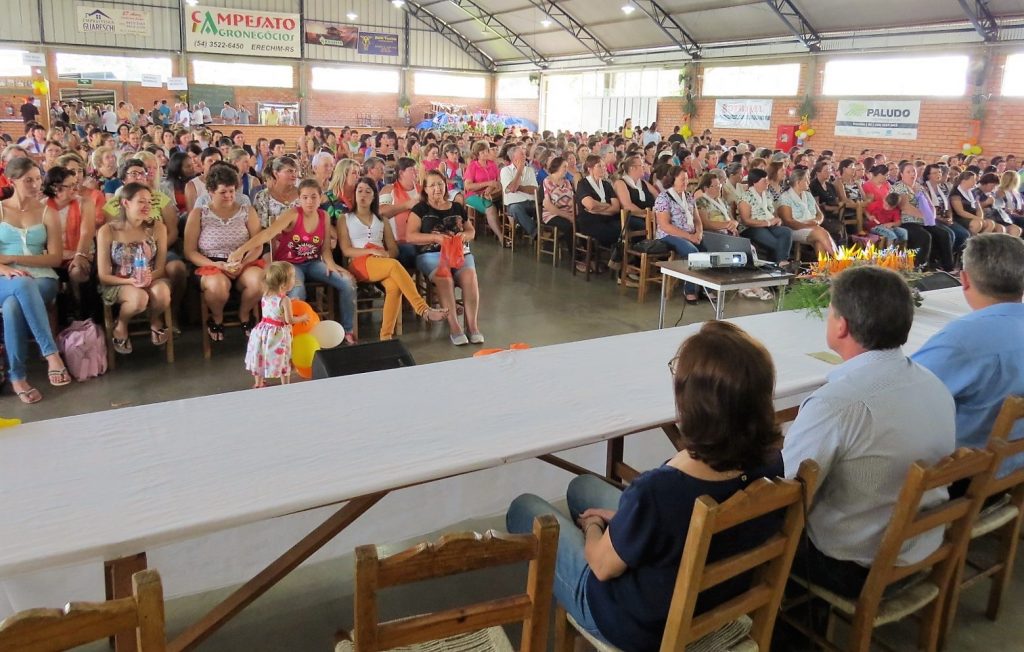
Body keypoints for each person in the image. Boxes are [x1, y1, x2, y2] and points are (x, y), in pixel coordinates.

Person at [506, 321, 785, 652]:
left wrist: (594, 528)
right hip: (713, 600)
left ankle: (583, 613)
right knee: (582, 486)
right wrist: (627, 523)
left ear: (693, 405)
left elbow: (601, 565)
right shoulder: (771, 462)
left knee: (524, 508)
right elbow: (680, 520)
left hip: (639, 626)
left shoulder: (659, 490)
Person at [782, 266, 955, 602]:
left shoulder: (838, 403)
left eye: (830, 312)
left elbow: (788, 491)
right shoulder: (934, 384)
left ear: (842, 325)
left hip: (857, 564)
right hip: (925, 542)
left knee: (753, 530)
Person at [913, 234, 1024, 479]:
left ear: (964, 279)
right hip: (1015, 468)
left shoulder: (964, 339)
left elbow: (902, 395)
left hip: (970, 476)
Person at [229, 179, 357, 343]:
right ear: (299, 199)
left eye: (313, 197)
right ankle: (295, 337)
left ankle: (347, 330)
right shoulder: (293, 214)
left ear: (320, 198)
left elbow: (325, 248)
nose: (309, 201)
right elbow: (267, 234)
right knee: (297, 292)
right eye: (304, 197)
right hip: (290, 265)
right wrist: (241, 250)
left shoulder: (323, 216)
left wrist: (331, 264)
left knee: (347, 282)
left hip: (313, 262)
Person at [338, 176, 448, 341]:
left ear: (374, 196)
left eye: (368, 192)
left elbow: (393, 248)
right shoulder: (345, 218)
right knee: (394, 266)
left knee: (394, 287)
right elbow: (346, 250)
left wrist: (386, 255)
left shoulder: (382, 219)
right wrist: (372, 253)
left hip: (382, 261)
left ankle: (385, 337)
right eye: (359, 191)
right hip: (358, 261)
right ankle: (423, 309)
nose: (363, 195)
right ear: (354, 195)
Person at [0, 157, 71, 403]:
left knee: (12, 306)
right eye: (28, 180)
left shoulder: (46, 212)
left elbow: (54, 258)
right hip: (3, 277)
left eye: (38, 178)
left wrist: (14, 258)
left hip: (41, 278)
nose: (35, 184)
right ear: (12, 181)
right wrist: (3, 266)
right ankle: (51, 354)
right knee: (19, 286)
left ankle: (17, 376)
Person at [184, 165, 265, 341]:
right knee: (217, 287)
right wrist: (216, 265)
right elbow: (189, 251)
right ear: (211, 192)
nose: (228, 196)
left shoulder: (247, 211)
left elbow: (257, 244)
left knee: (259, 281)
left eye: (231, 191)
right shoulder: (199, 213)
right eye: (223, 192)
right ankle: (217, 316)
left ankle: (244, 313)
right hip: (210, 263)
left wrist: (242, 263)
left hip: (243, 261)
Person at [406, 169, 482, 346]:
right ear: (425, 189)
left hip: (459, 252)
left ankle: (473, 327)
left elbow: (471, 230)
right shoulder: (420, 209)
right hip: (431, 253)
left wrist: (465, 235)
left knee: (470, 277)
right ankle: (455, 327)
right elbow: (411, 236)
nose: (437, 188)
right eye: (432, 185)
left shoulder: (456, 207)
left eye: (440, 184)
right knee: (445, 278)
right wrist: (436, 237)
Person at [96, 182, 172, 355]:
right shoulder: (108, 231)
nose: (147, 206)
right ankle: (121, 324)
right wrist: (131, 280)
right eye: (141, 202)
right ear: (126, 203)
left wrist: (146, 278)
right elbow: (104, 275)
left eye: (150, 202)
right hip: (119, 281)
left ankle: (154, 318)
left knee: (162, 293)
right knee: (139, 298)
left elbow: (161, 267)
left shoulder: (157, 227)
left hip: (151, 276)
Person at [244, 261, 306, 388]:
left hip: (262, 330)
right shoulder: (285, 300)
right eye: (293, 277)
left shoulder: (266, 295)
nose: (295, 279)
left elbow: (274, 309)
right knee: (283, 358)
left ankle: (258, 383)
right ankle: (285, 385)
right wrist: (302, 318)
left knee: (260, 355)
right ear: (284, 284)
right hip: (277, 334)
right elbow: (289, 320)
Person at [654, 166, 703, 303]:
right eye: (682, 179)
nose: (686, 182)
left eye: (687, 179)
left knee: (711, 248)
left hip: (690, 233)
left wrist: (699, 232)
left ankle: (707, 288)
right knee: (692, 252)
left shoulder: (688, 196)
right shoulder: (663, 197)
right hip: (669, 235)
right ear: (672, 180)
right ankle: (690, 290)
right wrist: (689, 237)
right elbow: (665, 226)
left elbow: (697, 220)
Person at [574, 154, 621, 274]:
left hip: (607, 218)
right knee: (617, 234)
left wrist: (600, 207)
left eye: (604, 166)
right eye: (599, 166)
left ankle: (615, 260)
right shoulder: (583, 184)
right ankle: (614, 261)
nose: (604, 169)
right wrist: (606, 206)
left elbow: (616, 207)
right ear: (590, 168)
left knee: (625, 229)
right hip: (589, 220)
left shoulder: (606, 184)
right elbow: (590, 205)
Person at [737, 168, 792, 268]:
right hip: (751, 228)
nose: (767, 182)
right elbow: (746, 220)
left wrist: (777, 219)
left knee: (786, 232)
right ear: (755, 182)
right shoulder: (746, 197)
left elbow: (772, 212)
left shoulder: (766, 194)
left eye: (767, 180)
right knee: (776, 243)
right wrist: (767, 222)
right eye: (764, 181)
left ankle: (779, 263)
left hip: (768, 224)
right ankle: (780, 264)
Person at [777, 168, 838, 257]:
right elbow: (788, 222)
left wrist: (816, 222)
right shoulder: (785, 197)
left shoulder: (808, 195)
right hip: (795, 230)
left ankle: (825, 268)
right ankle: (839, 259)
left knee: (819, 242)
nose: (809, 182)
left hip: (813, 227)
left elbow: (820, 214)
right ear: (798, 182)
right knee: (821, 232)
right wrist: (809, 225)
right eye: (806, 180)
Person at [379, 157, 422, 269]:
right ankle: (407, 283)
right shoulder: (388, 189)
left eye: (416, 169)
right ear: (401, 173)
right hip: (399, 241)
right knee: (409, 252)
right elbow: (381, 211)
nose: (416, 172)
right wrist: (407, 205)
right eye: (412, 169)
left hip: (423, 238)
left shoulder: (422, 190)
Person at [463, 141, 502, 240]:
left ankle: (504, 232)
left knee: (506, 204)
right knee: (490, 208)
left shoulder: (492, 164)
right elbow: (468, 186)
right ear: (477, 155)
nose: (485, 154)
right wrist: (487, 184)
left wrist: (491, 187)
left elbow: (498, 181)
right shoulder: (473, 166)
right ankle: (501, 237)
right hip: (472, 195)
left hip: (492, 193)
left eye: (486, 151)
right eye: (482, 152)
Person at [500, 145, 539, 237]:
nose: (525, 156)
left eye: (524, 154)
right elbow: (513, 189)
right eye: (522, 154)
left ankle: (546, 232)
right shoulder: (505, 171)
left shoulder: (530, 170)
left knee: (544, 208)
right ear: (513, 158)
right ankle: (537, 233)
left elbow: (535, 189)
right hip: (515, 205)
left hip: (532, 203)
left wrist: (519, 187)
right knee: (515, 208)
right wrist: (520, 170)